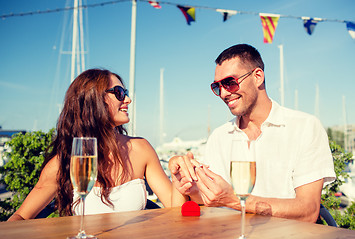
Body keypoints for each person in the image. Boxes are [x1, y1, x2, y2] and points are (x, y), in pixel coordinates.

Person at [169, 44, 336, 222]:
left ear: (257, 77)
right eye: (217, 87)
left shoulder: (305, 127)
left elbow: (308, 211)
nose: (224, 93)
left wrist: (236, 201)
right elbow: (214, 200)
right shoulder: (220, 137)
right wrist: (187, 184)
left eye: (230, 82)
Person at [8, 68, 173, 221]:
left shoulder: (141, 149)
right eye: (119, 93)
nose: (128, 100)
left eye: (125, 93)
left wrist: (181, 179)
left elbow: (175, 206)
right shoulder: (66, 161)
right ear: (93, 100)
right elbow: (20, 217)